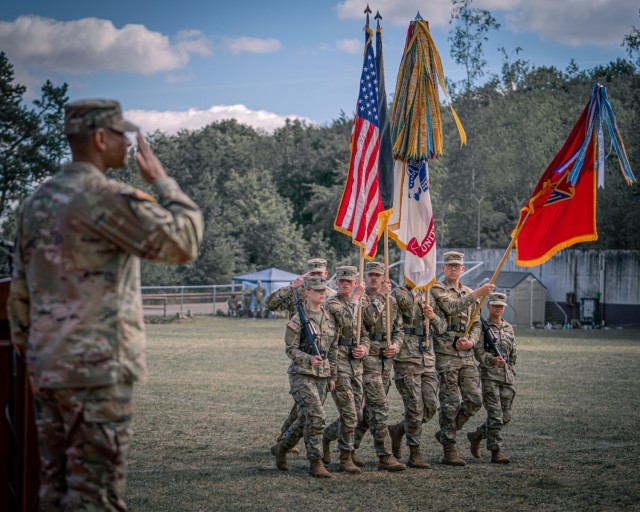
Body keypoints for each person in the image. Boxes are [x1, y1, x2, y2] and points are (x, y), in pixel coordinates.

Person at [7, 99, 203, 510]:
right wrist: (162, 181)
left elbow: (19, 297)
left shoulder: (36, 203)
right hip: (96, 373)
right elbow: (183, 242)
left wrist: (37, 352)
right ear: (99, 137)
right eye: (122, 135)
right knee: (94, 496)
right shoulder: (107, 197)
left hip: (47, 369)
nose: (129, 144)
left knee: (54, 490)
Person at [430, 251, 494, 466]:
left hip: (465, 353)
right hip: (446, 352)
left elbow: (476, 323)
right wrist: (478, 293)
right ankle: (449, 449)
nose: (454, 269)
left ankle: (448, 432)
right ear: (443, 268)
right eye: (450, 265)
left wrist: (472, 341)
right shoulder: (438, 289)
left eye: (457, 265)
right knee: (450, 402)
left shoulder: (468, 291)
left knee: (475, 399)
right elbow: (450, 307)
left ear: (463, 269)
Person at [271, 276, 338, 478]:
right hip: (301, 375)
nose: (322, 292)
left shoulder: (328, 317)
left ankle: (282, 447)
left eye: (324, 289)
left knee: (304, 419)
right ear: (307, 292)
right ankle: (315, 462)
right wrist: (309, 359)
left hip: (322, 375)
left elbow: (333, 348)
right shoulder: (298, 319)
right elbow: (290, 350)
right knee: (317, 416)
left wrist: (332, 375)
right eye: (317, 290)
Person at [268, 258, 330, 452]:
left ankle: (286, 437)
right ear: (306, 274)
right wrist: (290, 287)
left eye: (320, 274)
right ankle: (288, 438)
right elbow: (270, 304)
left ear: (326, 275)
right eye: (312, 274)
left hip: (322, 358)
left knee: (310, 403)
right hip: (300, 353)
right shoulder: (296, 292)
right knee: (307, 403)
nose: (316, 277)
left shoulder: (329, 295)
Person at [352, 261, 406, 471]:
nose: (374, 278)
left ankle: (343, 445)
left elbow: (399, 329)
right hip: (368, 360)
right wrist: (381, 296)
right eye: (370, 274)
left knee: (368, 414)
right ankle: (385, 456)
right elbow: (368, 318)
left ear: (384, 277)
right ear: (365, 277)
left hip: (386, 361)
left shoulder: (392, 301)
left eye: (378, 275)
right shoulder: (361, 300)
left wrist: (396, 345)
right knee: (380, 407)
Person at [388, 282, 447, 469]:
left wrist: (434, 317)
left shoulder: (429, 294)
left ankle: (398, 429)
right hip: (407, 358)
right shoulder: (397, 294)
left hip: (427, 359)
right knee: (414, 407)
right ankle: (415, 453)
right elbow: (393, 320)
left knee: (431, 405)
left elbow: (442, 328)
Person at [320, 266, 369, 474]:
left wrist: (364, 348)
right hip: (338, 364)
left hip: (356, 364)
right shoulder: (332, 303)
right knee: (349, 414)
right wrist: (357, 298)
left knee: (357, 414)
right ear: (336, 284)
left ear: (355, 283)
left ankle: (327, 436)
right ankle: (345, 457)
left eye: (350, 281)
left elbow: (365, 332)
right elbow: (347, 320)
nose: (346, 284)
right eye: (342, 281)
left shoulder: (360, 303)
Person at [468, 292, 517, 463]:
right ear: (488, 306)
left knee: (506, 416)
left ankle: (477, 435)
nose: (498, 308)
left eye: (501, 306)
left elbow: (513, 352)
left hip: (507, 375)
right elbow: (478, 352)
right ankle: (496, 450)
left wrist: (511, 368)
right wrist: (491, 359)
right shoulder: (482, 327)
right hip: (489, 375)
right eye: (495, 305)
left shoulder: (509, 327)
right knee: (495, 415)